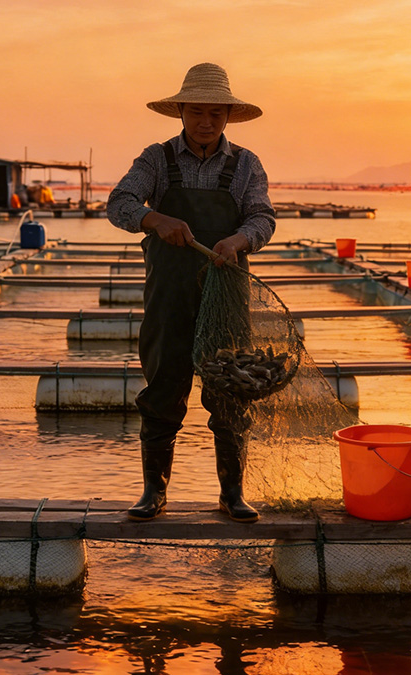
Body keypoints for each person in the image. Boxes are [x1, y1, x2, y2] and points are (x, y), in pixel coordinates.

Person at [107, 62, 276, 523]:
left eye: (215, 114)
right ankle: (153, 493)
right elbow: (119, 203)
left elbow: (263, 219)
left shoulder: (246, 164)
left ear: (227, 117)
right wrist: (156, 220)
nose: (206, 122)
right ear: (180, 111)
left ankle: (232, 493)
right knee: (163, 388)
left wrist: (239, 240)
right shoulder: (156, 159)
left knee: (230, 390)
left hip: (226, 295)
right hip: (170, 296)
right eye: (197, 112)